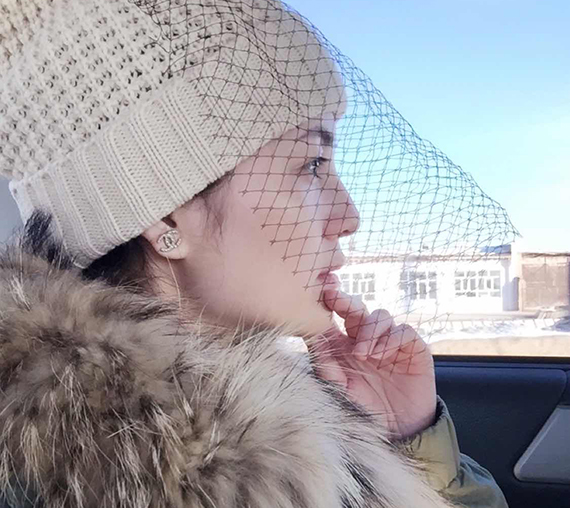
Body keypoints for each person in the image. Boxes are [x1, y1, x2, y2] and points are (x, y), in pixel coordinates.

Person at [0, 0, 509, 507]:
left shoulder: (279, 413)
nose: (348, 216)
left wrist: (405, 442)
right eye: (312, 165)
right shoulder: (69, 475)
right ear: (167, 218)